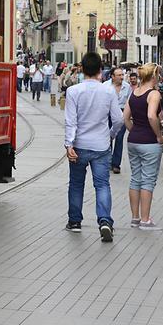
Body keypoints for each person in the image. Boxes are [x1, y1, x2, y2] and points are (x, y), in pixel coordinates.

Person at [64, 52, 123, 242]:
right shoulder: (109, 91)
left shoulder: (73, 91)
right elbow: (119, 119)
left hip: (80, 145)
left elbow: (70, 121)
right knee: (102, 184)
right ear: (100, 70)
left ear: (82, 69)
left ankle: (74, 221)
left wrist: (68, 144)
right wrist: (111, 135)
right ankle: (105, 221)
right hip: (101, 145)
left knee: (76, 183)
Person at [123, 63, 163, 231]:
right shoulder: (153, 94)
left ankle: (135, 218)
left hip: (133, 140)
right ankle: (146, 220)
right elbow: (151, 116)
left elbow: (125, 118)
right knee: (148, 180)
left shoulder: (134, 92)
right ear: (154, 76)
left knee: (135, 179)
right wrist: (158, 135)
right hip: (149, 142)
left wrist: (134, 131)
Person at [104, 67, 132, 174]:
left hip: (122, 113)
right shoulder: (105, 86)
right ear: (112, 76)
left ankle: (116, 164)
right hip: (108, 113)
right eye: (119, 75)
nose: (122, 77)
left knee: (119, 138)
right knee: (108, 137)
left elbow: (129, 102)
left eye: (122, 75)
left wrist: (128, 116)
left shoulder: (127, 86)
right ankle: (108, 161)